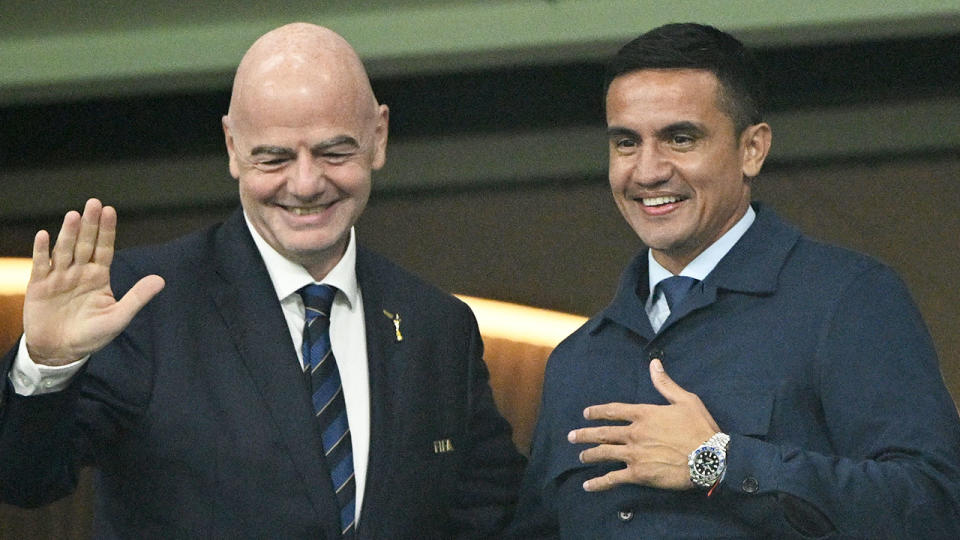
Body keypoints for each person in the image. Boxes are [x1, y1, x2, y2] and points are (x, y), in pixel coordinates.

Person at [0, 22, 524, 538]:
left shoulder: (438, 326)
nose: (305, 183)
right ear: (232, 147)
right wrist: (45, 367)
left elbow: (498, 515)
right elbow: (25, 480)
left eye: (333, 152)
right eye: (273, 157)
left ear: (379, 137)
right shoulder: (140, 302)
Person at [510, 22, 960, 538]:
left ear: (752, 149)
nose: (648, 171)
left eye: (681, 138)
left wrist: (717, 462)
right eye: (626, 143)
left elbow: (933, 507)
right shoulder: (576, 358)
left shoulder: (848, 298)